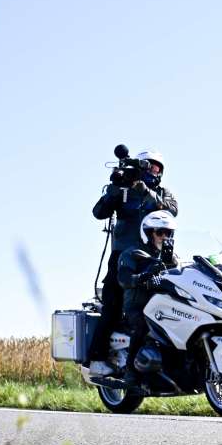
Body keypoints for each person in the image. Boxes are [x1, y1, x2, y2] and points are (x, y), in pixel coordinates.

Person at [87, 149, 178, 372]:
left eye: (156, 167)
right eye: (147, 165)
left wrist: (144, 190)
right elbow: (99, 212)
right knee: (112, 306)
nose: (151, 170)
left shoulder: (163, 192)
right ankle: (97, 360)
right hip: (123, 257)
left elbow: (172, 211)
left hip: (155, 257)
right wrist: (115, 189)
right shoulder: (124, 188)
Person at [94, 210, 180, 377]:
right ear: (148, 233)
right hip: (137, 306)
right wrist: (144, 276)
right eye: (160, 232)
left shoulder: (172, 258)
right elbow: (124, 279)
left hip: (162, 305)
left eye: (168, 233)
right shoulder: (132, 253)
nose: (164, 236)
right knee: (142, 325)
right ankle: (131, 372)